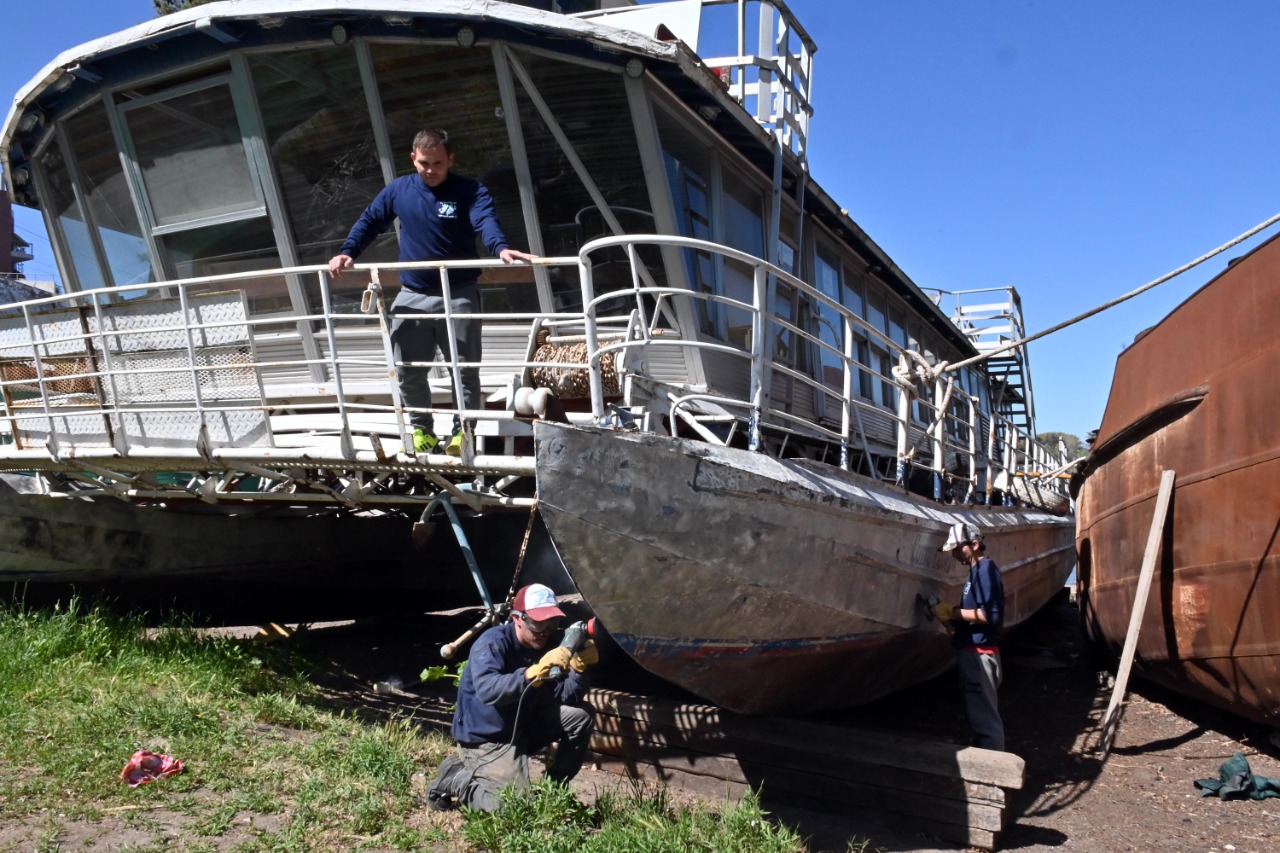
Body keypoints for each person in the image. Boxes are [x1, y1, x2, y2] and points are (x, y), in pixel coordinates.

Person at [328, 128, 537, 456]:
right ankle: (422, 431)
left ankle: (461, 433)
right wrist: (348, 251)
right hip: (412, 295)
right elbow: (370, 221)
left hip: (459, 293)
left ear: (450, 159)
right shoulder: (399, 190)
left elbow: (485, 221)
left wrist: (500, 248)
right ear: (413, 158)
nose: (430, 169)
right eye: (424, 162)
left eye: (438, 163)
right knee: (409, 370)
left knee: (463, 372)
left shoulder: (470, 190)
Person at [424, 583, 598, 812]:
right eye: (538, 622)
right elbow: (488, 691)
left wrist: (579, 670)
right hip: (486, 739)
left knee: (581, 716)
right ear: (518, 618)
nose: (546, 630)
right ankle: (456, 777)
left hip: (522, 727)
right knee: (512, 807)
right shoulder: (492, 643)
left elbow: (565, 696)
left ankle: (551, 791)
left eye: (552, 622)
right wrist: (531, 674)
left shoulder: (547, 642)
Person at [934, 521, 1006, 751]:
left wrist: (956, 613)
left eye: (957, 548)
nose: (954, 554)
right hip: (974, 652)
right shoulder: (976, 572)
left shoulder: (986, 570)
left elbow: (990, 614)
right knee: (978, 715)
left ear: (974, 544)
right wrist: (956, 623)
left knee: (985, 720)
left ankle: (994, 773)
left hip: (980, 656)